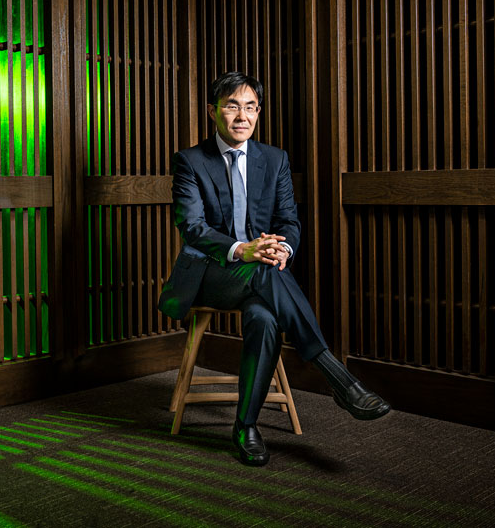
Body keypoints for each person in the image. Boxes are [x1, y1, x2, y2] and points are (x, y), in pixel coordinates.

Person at [158, 71, 390, 467]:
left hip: (261, 274)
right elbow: (193, 228)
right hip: (209, 274)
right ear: (214, 111)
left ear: (258, 113)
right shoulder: (190, 161)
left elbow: (289, 223)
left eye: (249, 107)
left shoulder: (275, 159)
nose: (241, 116)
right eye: (232, 106)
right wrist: (242, 250)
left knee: (265, 316)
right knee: (265, 274)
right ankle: (338, 378)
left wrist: (280, 248)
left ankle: (245, 426)